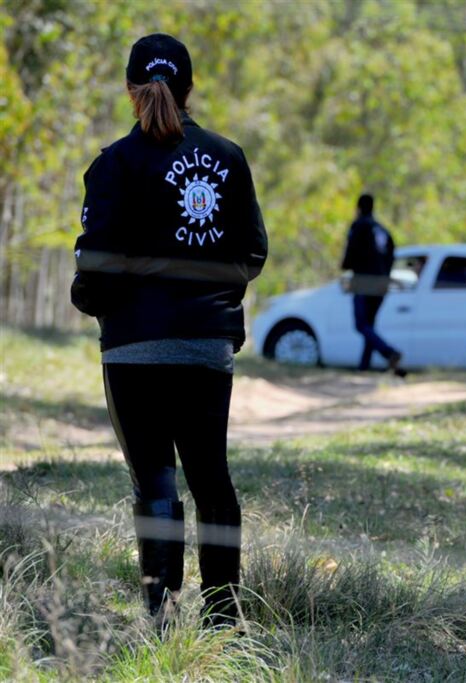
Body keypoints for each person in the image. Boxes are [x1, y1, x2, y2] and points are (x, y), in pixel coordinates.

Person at [70, 34, 267, 632]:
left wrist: (92, 299)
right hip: (205, 343)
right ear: (190, 89)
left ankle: (162, 614)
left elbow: (96, 263)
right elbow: (252, 252)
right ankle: (224, 618)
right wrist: (213, 304)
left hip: (134, 344)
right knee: (212, 476)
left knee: (154, 476)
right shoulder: (228, 157)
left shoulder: (112, 165)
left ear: (131, 90)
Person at [340, 194, 403, 374]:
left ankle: (389, 352)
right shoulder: (383, 230)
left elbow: (350, 251)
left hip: (363, 280)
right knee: (370, 324)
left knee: (361, 324)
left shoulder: (359, 225)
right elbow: (391, 255)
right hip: (382, 282)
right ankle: (364, 366)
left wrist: (345, 265)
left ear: (358, 207)